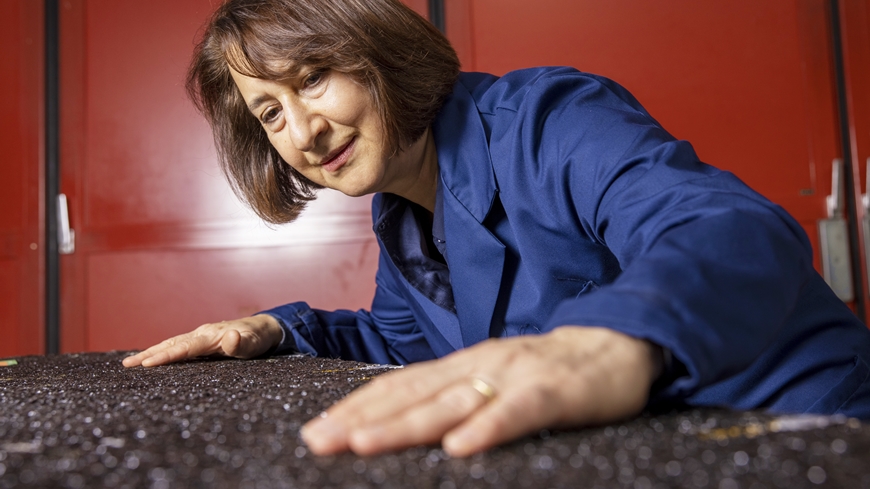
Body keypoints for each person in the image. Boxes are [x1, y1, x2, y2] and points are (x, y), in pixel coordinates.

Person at [122, 0, 870, 457]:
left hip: (811, 422)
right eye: (271, 113)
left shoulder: (549, 118)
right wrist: (272, 329)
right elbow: (399, 343)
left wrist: (599, 344)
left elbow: (728, 227)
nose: (304, 131)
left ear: (373, 48)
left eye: (312, 77)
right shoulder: (402, 215)